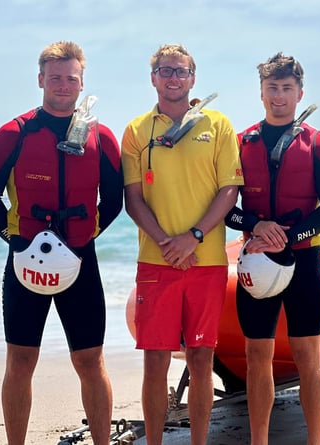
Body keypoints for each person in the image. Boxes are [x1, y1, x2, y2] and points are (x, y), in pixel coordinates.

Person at [0, 41, 123, 445]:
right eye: (55, 77)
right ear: (40, 79)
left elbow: (114, 201)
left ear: (81, 82)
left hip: (81, 261)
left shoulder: (102, 138)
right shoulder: (13, 134)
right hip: (24, 261)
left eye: (71, 78)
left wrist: (82, 241)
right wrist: (16, 242)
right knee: (20, 360)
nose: (63, 85)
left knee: (90, 360)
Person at [121, 44, 243, 445]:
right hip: (156, 262)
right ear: (152, 77)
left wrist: (192, 239)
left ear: (193, 79)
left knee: (201, 358)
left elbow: (229, 190)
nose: (173, 77)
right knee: (154, 361)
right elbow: (133, 197)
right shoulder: (138, 130)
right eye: (165, 70)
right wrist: (164, 241)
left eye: (181, 71)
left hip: (206, 261)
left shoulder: (218, 125)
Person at [225, 52, 320, 445]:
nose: (279, 96)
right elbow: (226, 209)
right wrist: (257, 226)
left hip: (304, 261)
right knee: (257, 356)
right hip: (255, 263)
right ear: (261, 92)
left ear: (299, 93)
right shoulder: (241, 144)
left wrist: (288, 238)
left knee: (309, 356)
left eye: (286, 88)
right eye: (272, 88)